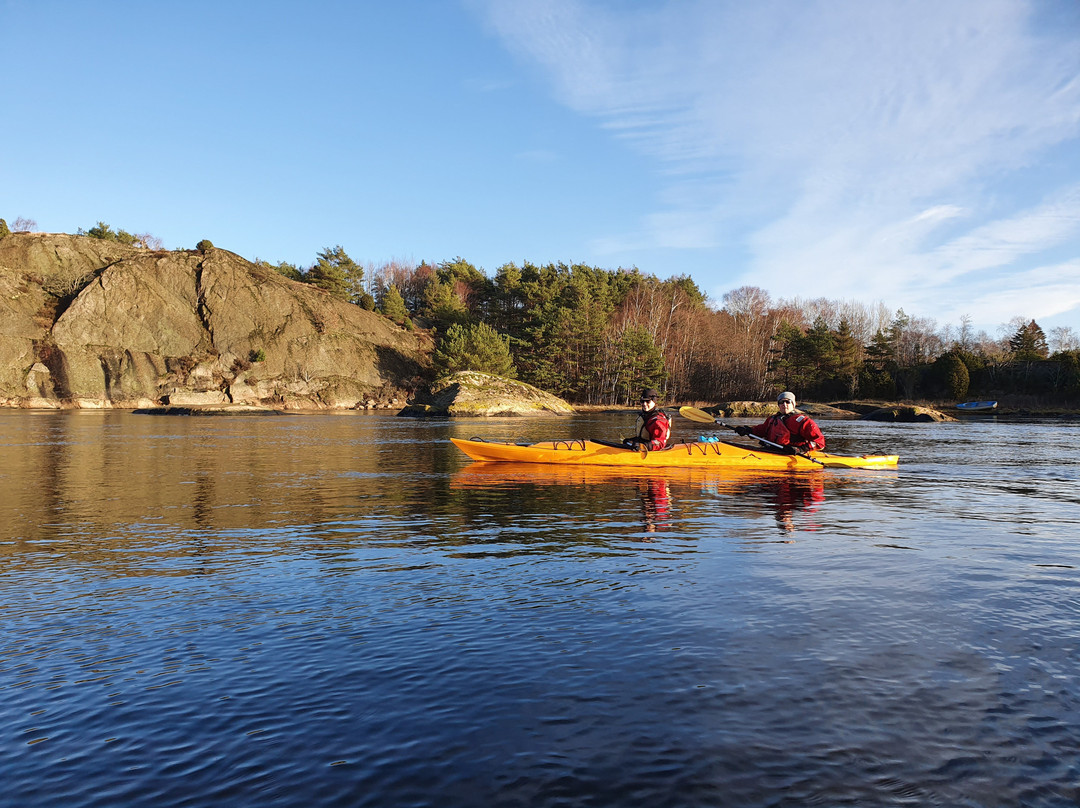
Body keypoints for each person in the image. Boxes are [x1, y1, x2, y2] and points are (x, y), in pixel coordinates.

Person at [734, 391, 825, 453]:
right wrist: (747, 430)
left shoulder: (804, 421)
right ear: (778, 405)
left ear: (793, 404)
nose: (784, 405)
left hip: (791, 453)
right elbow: (761, 430)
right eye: (781, 402)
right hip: (771, 450)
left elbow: (819, 442)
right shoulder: (773, 419)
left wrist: (801, 449)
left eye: (787, 402)